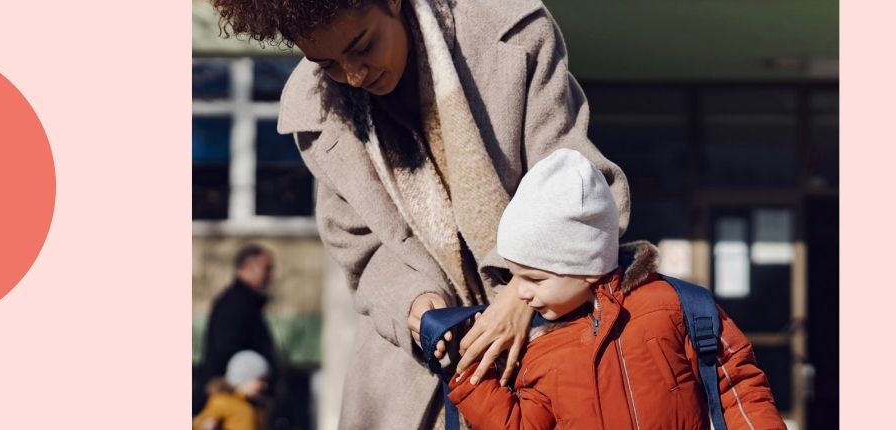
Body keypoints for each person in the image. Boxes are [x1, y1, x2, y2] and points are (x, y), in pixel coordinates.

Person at [208, 0, 632, 428]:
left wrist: (525, 288)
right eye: (329, 64)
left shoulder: (511, 32)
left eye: (363, 46)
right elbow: (360, 247)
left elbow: (581, 187)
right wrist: (411, 301)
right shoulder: (315, 107)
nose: (354, 75)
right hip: (410, 380)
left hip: (549, 345)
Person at [448, 149, 786, 429]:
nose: (519, 294)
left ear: (585, 266)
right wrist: (469, 377)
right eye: (515, 276)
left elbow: (738, 385)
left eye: (534, 279)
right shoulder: (540, 348)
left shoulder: (675, 307)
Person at [195, 245, 278, 417]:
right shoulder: (234, 304)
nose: (271, 275)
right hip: (234, 397)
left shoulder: (246, 304)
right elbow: (227, 351)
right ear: (248, 266)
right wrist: (246, 380)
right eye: (267, 268)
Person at [194, 350, 273, 430]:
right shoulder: (222, 401)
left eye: (266, 381)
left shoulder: (260, 406)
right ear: (243, 379)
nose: (264, 385)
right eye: (260, 380)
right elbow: (199, 421)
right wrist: (206, 425)